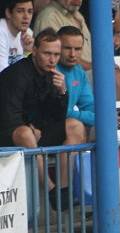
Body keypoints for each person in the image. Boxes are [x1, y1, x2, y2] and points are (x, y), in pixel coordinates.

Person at [0, 28, 85, 210]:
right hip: (8, 133)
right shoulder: (16, 74)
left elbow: (56, 117)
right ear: (35, 50)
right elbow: (9, 116)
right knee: (25, 133)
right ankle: (50, 188)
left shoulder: (52, 75)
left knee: (75, 126)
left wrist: (63, 92)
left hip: (36, 133)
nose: (52, 59)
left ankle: (63, 189)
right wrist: (32, 128)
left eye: (56, 54)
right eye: (47, 53)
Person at [56, 26, 94, 138]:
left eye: (77, 49)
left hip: (65, 126)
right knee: (75, 126)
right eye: (67, 48)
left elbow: (89, 105)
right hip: (45, 126)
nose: (72, 54)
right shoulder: (49, 68)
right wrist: (97, 118)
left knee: (105, 128)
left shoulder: (79, 72)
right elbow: (62, 112)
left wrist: (108, 118)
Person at [0, 0, 34, 72]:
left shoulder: (28, 33)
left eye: (30, 12)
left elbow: (28, 73)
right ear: (8, 13)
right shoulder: (1, 32)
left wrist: (27, 52)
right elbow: (3, 74)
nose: (26, 16)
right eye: (20, 11)